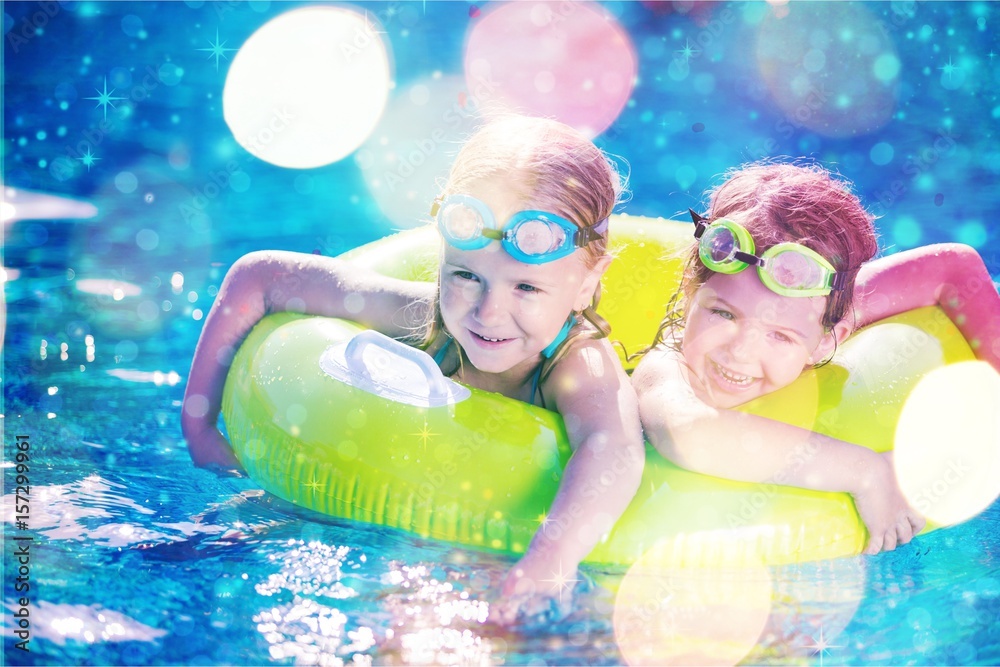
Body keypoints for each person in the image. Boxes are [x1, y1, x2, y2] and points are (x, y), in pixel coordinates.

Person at [181, 115, 645, 622]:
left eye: (527, 288)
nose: (487, 313)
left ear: (584, 283)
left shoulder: (576, 363)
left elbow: (613, 448)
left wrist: (551, 557)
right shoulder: (428, 319)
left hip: (498, 553)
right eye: (466, 276)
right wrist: (200, 427)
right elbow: (259, 278)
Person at [632, 161, 1000, 555]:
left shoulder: (813, 302)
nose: (739, 352)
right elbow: (689, 434)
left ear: (829, 341)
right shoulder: (667, 369)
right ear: (690, 293)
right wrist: (869, 472)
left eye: (779, 335)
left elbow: (952, 268)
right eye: (722, 314)